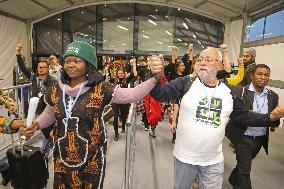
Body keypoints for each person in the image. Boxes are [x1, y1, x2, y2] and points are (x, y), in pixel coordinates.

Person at [22, 41, 162, 188]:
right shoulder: (56, 89)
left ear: (88, 64)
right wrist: (36, 124)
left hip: (92, 157)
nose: (70, 65)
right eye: (67, 61)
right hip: (62, 156)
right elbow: (49, 114)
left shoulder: (101, 89)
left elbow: (132, 95)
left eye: (77, 61)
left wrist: (156, 77)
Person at [149, 47, 284, 189]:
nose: (202, 63)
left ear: (219, 65)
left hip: (213, 161)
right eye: (200, 59)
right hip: (185, 159)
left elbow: (244, 116)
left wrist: (270, 117)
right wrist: (155, 75)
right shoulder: (186, 83)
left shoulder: (230, 92)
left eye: (208, 60)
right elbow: (160, 94)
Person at [226, 64, 279, 189]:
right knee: (245, 171)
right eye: (259, 74)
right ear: (252, 76)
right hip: (243, 137)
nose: (263, 77)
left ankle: (233, 178)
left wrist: (276, 119)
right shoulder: (240, 92)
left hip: (259, 139)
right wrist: (248, 115)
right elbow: (235, 116)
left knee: (243, 165)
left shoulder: (273, 96)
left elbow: (272, 120)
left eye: (266, 75)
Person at [16, 44, 55, 156]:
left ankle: (46, 153)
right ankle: (44, 150)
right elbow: (22, 67)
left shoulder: (52, 81)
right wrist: (18, 53)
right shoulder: (33, 78)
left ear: (48, 69)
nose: (41, 69)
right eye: (39, 67)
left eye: (43, 67)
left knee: (45, 133)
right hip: (35, 109)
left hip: (47, 110)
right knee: (31, 127)